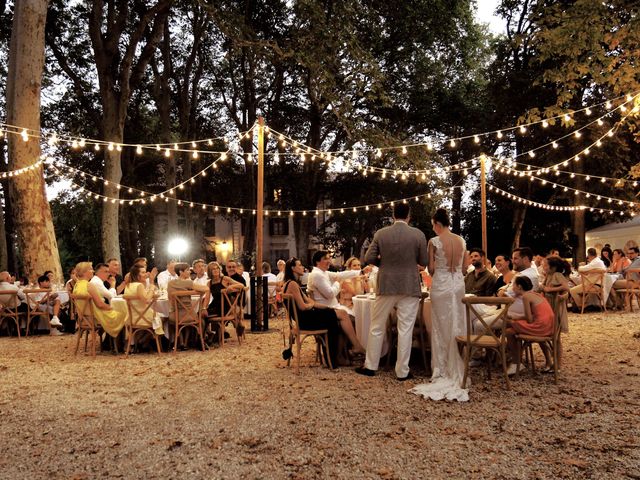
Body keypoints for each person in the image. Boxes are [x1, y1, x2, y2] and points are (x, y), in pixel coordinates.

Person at [355, 203, 427, 380]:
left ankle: (370, 366)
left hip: (386, 284)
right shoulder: (418, 234)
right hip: (410, 285)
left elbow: (368, 258)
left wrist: (384, 265)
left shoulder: (381, 233)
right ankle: (402, 371)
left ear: (393, 215)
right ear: (408, 215)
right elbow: (424, 261)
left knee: (377, 326)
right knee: (406, 329)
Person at [409, 207, 469, 402]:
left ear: (437, 223)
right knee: (456, 322)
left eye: (433, 225)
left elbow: (432, 268)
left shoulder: (434, 241)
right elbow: (465, 267)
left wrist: (437, 272)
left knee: (440, 326)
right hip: (458, 284)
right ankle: (459, 364)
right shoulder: (461, 240)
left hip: (441, 284)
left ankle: (442, 367)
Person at [282, 258, 342, 368]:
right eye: (299, 265)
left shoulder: (289, 283)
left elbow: (310, 302)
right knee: (332, 318)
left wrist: (327, 308)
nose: (302, 267)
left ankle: (334, 357)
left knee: (331, 313)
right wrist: (311, 305)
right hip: (305, 321)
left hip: (303, 319)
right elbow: (303, 306)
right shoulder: (293, 285)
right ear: (293, 268)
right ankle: (332, 360)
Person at [307, 251, 367, 358]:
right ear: (317, 261)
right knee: (352, 319)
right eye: (326, 259)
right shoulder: (317, 275)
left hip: (332, 307)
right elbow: (330, 294)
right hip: (325, 311)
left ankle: (348, 352)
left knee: (354, 318)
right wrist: (338, 283)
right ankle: (347, 352)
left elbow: (339, 275)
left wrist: (360, 272)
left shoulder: (322, 272)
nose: (329, 261)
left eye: (329, 258)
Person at [505, 276, 555, 375]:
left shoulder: (526, 296)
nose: (512, 287)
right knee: (511, 325)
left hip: (540, 327)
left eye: (513, 285)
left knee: (508, 330)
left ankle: (516, 362)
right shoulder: (536, 294)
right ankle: (549, 361)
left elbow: (529, 319)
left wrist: (514, 318)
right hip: (549, 326)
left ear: (519, 286)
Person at [73, 262, 126, 339]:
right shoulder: (89, 285)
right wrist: (111, 308)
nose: (93, 271)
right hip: (97, 317)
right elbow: (100, 304)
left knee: (121, 313)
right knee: (125, 315)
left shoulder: (77, 285)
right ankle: (124, 344)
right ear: (85, 271)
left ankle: (115, 344)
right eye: (91, 269)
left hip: (86, 318)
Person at [498, 247, 539, 319]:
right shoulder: (529, 272)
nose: (512, 261)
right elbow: (506, 288)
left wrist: (503, 290)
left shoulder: (523, 276)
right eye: (512, 258)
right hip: (510, 312)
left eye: (515, 258)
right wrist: (504, 289)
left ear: (525, 259)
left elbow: (503, 296)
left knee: (478, 324)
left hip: (514, 317)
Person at [123, 264, 163, 335]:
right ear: (137, 275)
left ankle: (143, 341)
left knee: (159, 316)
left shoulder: (128, 285)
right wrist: (152, 286)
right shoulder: (139, 285)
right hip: (142, 317)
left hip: (131, 318)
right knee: (164, 317)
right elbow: (147, 300)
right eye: (143, 272)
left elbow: (143, 297)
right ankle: (154, 341)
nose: (146, 274)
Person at [541, 256, 571, 334]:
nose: (543, 267)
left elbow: (566, 287)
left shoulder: (557, 275)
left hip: (555, 302)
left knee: (555, 325)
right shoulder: (548, 275)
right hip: (549, 301)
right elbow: (543, 286)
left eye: (545, 265)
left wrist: (550, 289)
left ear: (553, 267)